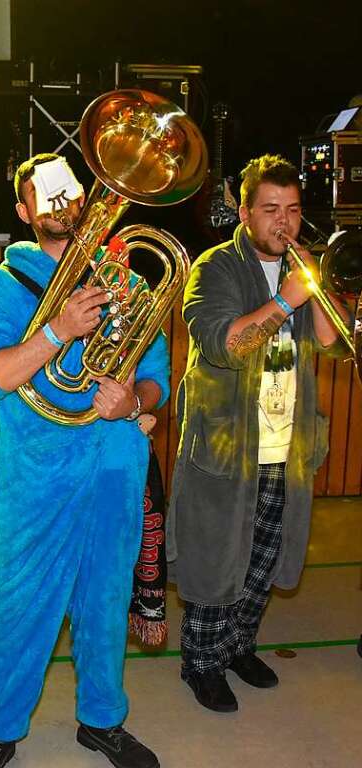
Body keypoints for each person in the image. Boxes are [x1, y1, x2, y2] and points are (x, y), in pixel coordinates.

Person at [0, 154, 168, 768]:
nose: (61, 205)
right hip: (36, 477)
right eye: (44, 197)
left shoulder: (126, 282)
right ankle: (0, 730)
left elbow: (157, 379)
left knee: (105, 600)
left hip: (113, 466)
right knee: (14, 604)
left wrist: (135, 399)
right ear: (24, 211)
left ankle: (102, 721)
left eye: (70, 193)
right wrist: (56, 332)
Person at [167, 154, 349, 713]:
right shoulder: (214, 268)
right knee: (215, 562)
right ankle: (201, 664)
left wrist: (316, 287)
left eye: (292, 210)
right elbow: (226, 344)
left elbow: (335, 341)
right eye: (270, 210)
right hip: (225, 447)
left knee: (264, 560)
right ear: (243, 212)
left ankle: (239, 646)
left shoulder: (303, 269)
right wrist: (286, 297)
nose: (284, 223)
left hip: (287, 445)